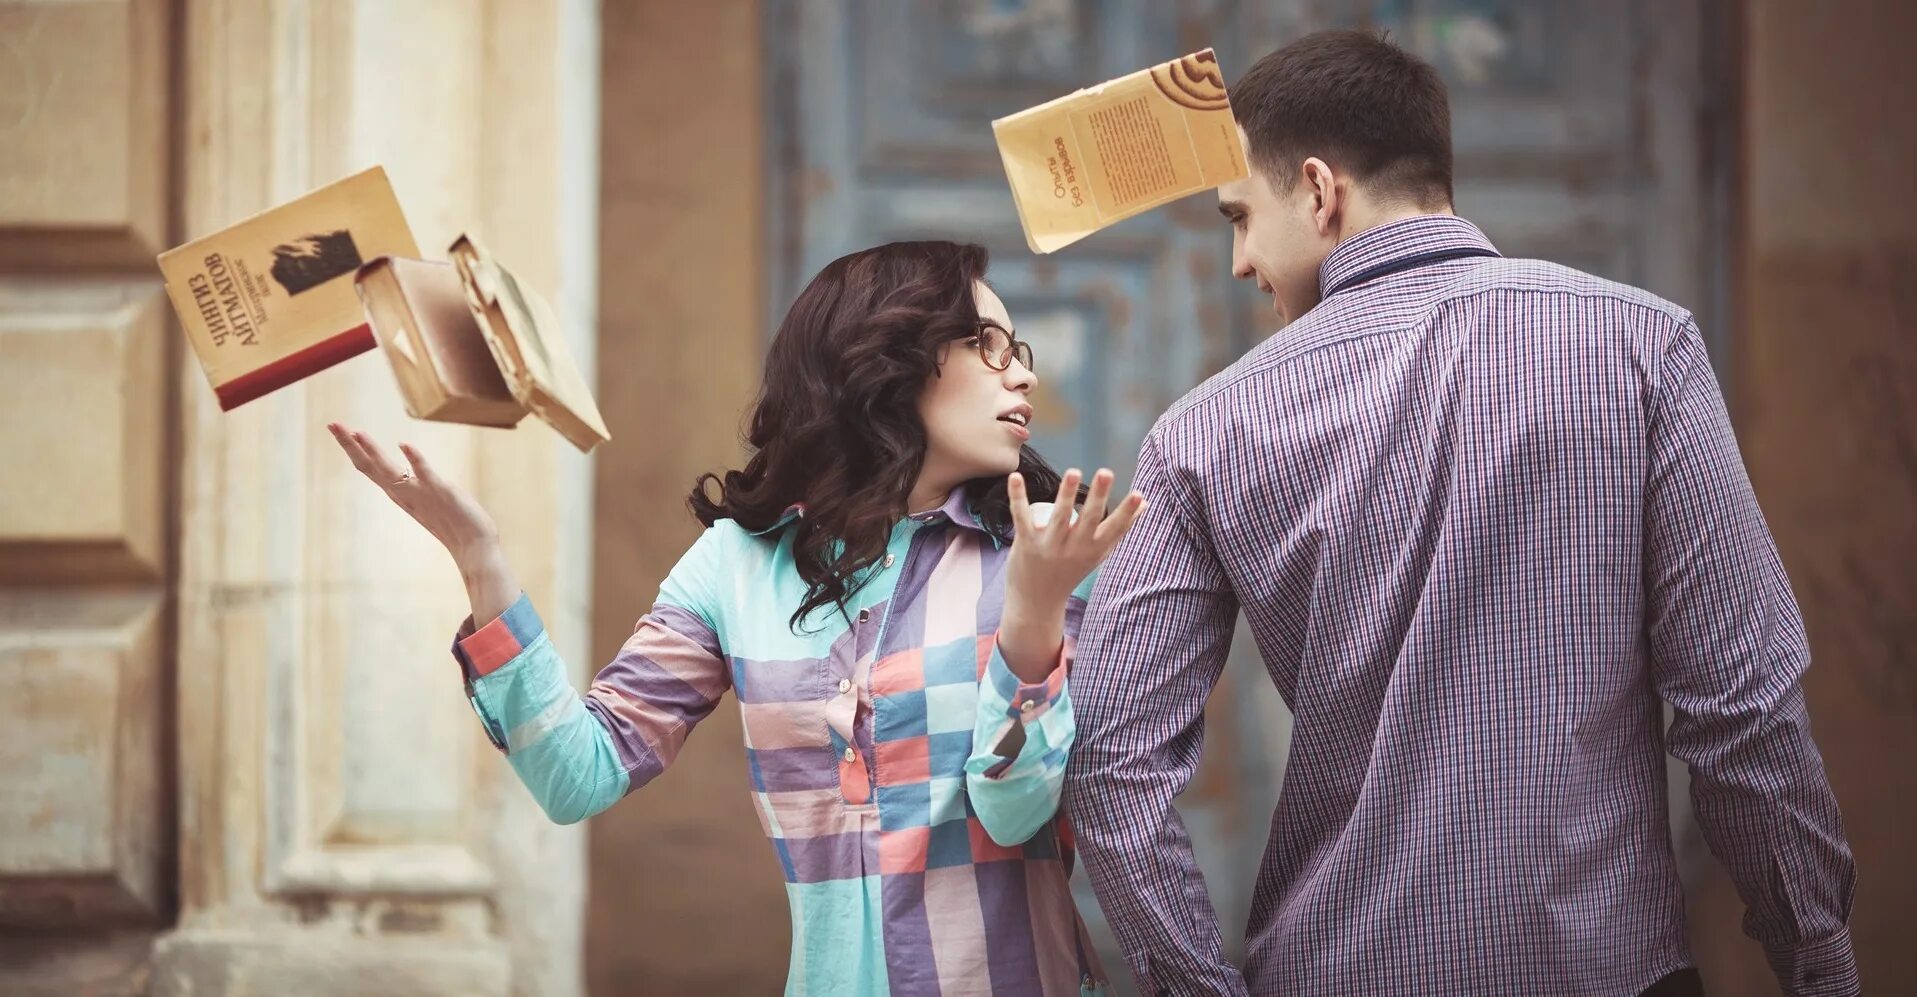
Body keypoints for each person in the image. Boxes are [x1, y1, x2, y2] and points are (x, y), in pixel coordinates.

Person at [1066, 29, 1857, 997]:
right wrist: (1818, 960)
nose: (1238, 261)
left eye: (1240, 217)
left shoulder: (1206, 429)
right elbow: (1743, 710)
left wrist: (1197, 989)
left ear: (1319, 191)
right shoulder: (1642, 349)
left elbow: (1109, 755)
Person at [330, 240, 1143, 995]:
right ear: (890, 359)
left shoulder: (1036, 554)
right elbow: (579, 772)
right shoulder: (735, 564)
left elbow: (1014, 807)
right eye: (988, 344)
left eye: (1019, 351)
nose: (1022, 375)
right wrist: (481, 559)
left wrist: (1032, 620)